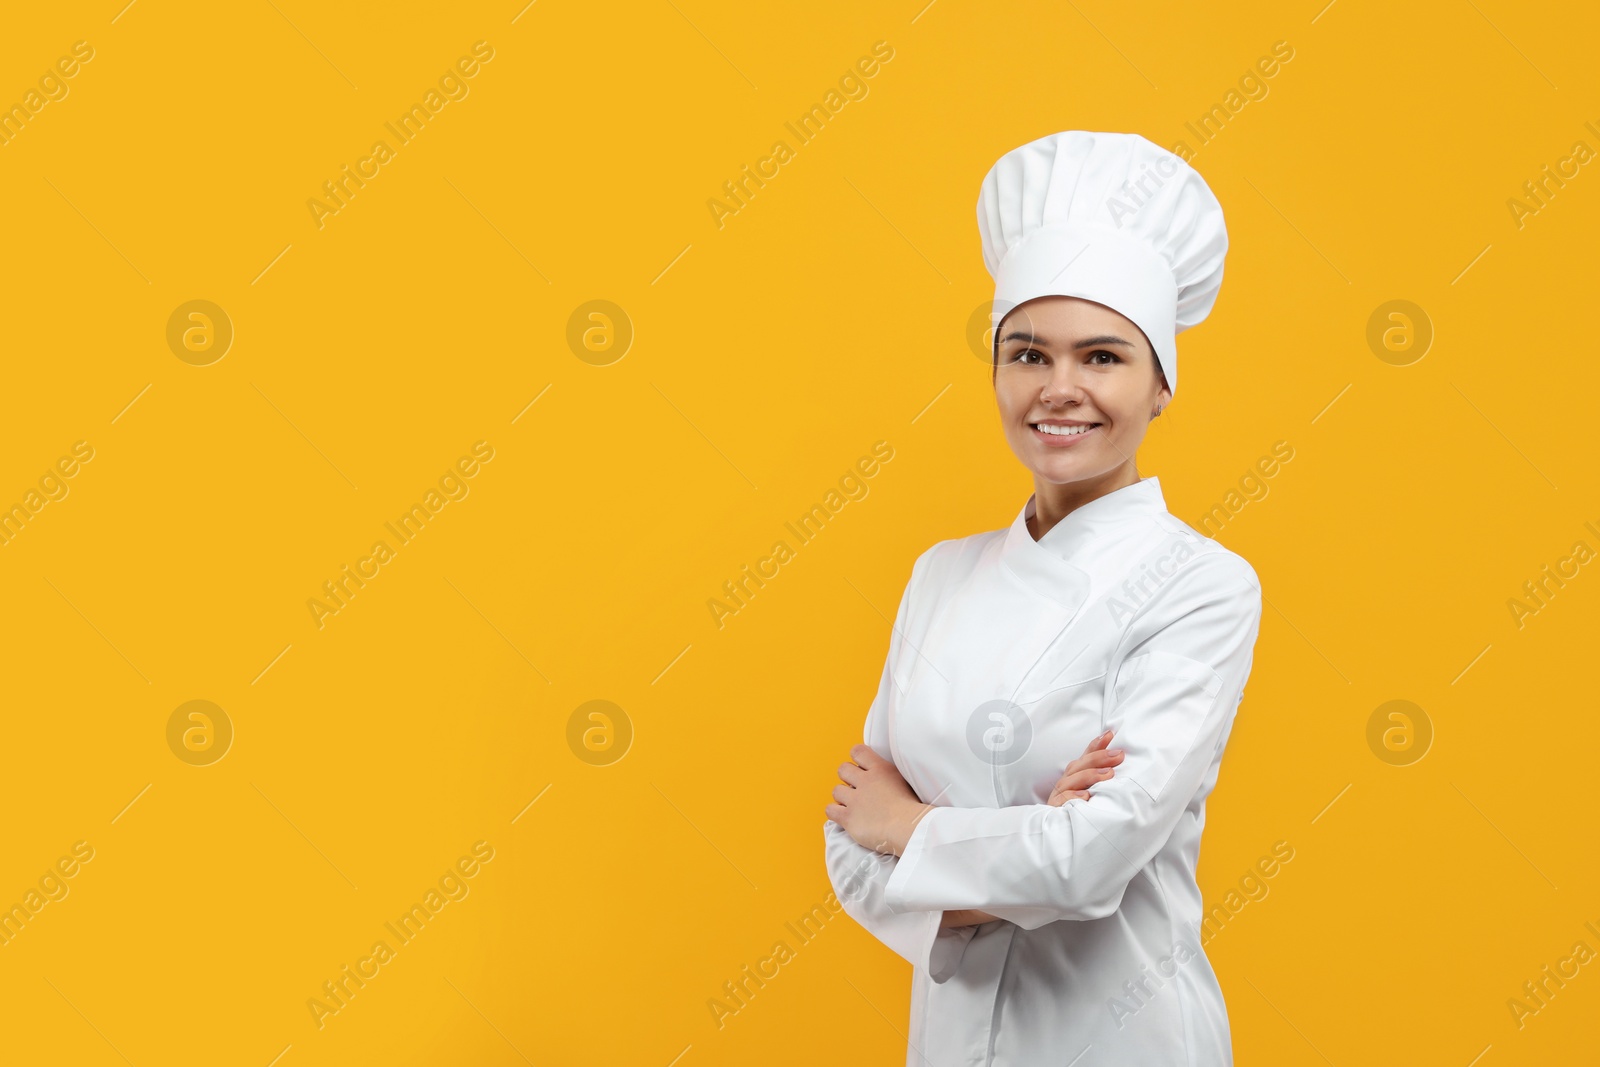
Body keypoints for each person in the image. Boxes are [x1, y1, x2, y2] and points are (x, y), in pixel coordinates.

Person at [822, 130, 1262, 1066]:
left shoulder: (1201, 586)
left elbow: (1091, 859)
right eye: (1027, 353)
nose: (1059, 389)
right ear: (996, 371)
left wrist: (913, 829)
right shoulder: (941, 572)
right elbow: (848, 852)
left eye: (1101, 357)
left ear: (1160, 386)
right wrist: (1032, 837)